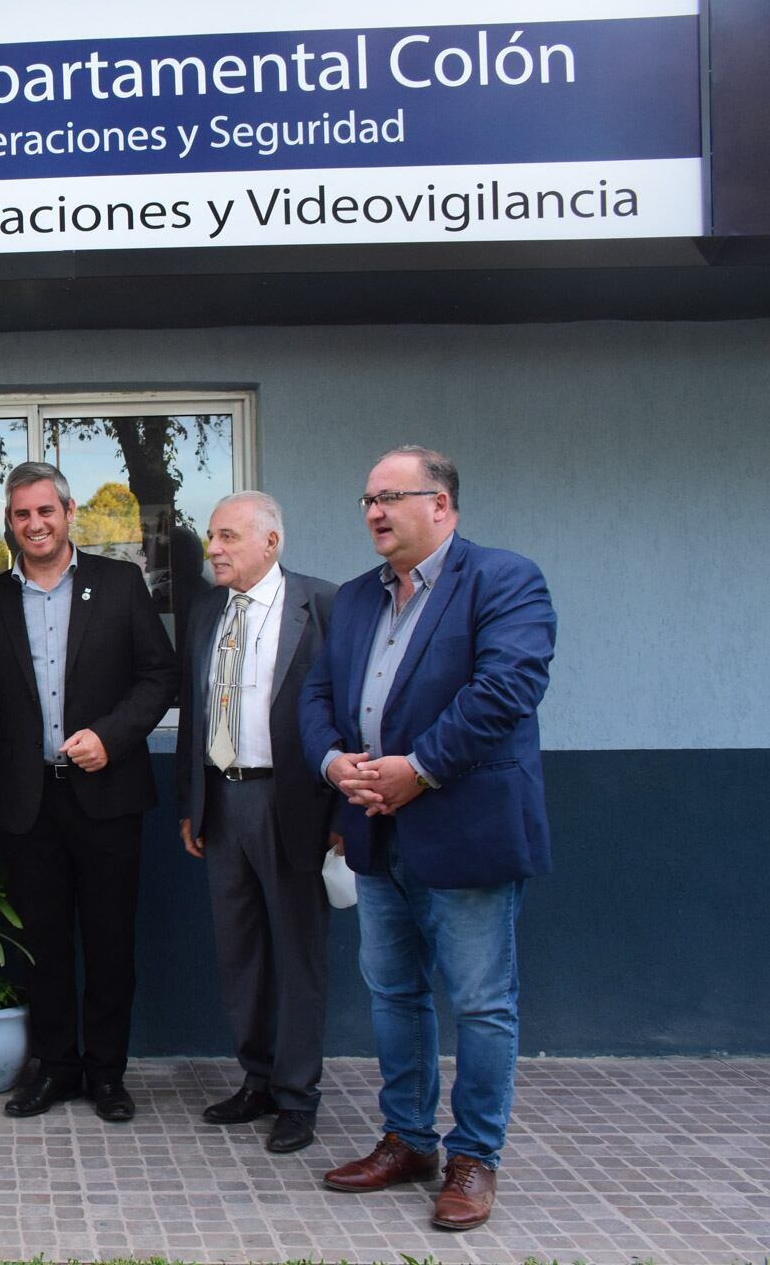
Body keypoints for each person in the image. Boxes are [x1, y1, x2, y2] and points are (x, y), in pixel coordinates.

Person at [300, 446, 556, 1232]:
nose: (374, 511)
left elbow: (508, 687)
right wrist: (334, 760)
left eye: (391, 496)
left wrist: (422, 768)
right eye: (367, 498)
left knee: (481, 1004)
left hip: (465, 830)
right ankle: (408, 1140)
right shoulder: (352, 601)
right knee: (395, 994)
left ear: (440, 504)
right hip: (375, 833)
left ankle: (474, 1157)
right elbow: (316, 696)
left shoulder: (504, 580)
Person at [0, 461, 179, 1122]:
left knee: (110, 943)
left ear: (69, 511)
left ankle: (107, 1075)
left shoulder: (119, 583)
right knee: (45, 945)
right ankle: (56, 1069)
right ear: (10, 522)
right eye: (22, 515)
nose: (35, 524)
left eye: (44, 511)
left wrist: (110, 735)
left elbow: (160, 676)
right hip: (26, 803)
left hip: (108, 795)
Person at [175, 491, 337, 1155]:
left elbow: (347, 714)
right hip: (222, 798)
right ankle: (258, 1079)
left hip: (293, 801)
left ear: (271, 542)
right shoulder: (206, 609)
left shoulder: (322, 605)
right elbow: (195, 711)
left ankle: (298, 1098)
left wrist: (343, 816)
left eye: (228, 537)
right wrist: (193, 800)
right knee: (241, 951)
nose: (213, 549)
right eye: (212, 536)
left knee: (297, 953)